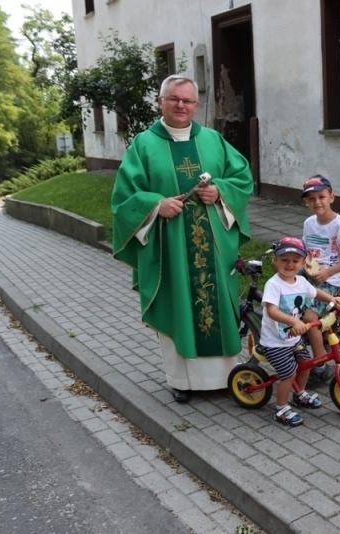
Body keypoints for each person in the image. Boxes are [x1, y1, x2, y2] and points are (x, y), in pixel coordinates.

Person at [111, 74, 254, 403]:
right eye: (174, 99)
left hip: (214, 245)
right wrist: (156, 205)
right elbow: (123, 199)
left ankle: (225, 377)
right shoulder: (143, 145)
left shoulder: (213, 140)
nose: (181, 105)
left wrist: (220, 191)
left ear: (196, 105)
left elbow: (242, 177)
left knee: (218, 305)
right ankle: (182, 381)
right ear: (160, 102)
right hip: (170, 246)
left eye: (187, 100)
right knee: (178, 305)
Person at [258, 237, 340, 427]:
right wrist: (293, 321)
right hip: (275, 342)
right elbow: (272, 311)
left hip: (293, 338)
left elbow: (315, 293)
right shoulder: (274, 285)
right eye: (284, 260)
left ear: (303, 262)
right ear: (276, 261)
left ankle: (300, 394)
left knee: (305, 365)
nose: (290, 264)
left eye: (295, 261)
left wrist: (332, 298)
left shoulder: (300, 282)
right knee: (288, 375)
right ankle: (280, 408)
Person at [300, 174, 340, 382]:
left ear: (331, 197)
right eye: (311, 199)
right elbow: (307, 249)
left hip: (329, 281)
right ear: (306, 202)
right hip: (312, 274)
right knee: (283, 289)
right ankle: (293, 348)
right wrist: (306, 263)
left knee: (309, 318)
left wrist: (328, 272)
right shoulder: (309, 223)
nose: (317, 202)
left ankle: (320, 365)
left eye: (322, 197)